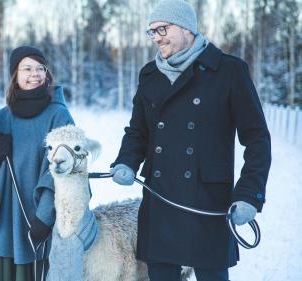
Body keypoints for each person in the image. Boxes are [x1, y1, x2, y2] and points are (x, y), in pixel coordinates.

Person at [110, 0, 271, 280]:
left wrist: (249, 195)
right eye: (152, 32)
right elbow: (138, 131)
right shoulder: (150, 75)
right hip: (160, 200)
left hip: (207, 202)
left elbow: (257, 139)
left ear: (187, 28)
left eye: (163, 29)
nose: (156, 37)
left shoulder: (229, 71)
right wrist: (126, 162)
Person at [0, 46, 74, 281]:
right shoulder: (2, 118)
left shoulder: (59, 116)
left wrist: (44, 217)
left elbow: (63, 169)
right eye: (27, 68)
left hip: (43, 223)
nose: (35, 74)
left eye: (40, 68)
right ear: (15, 74)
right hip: (11, 223)